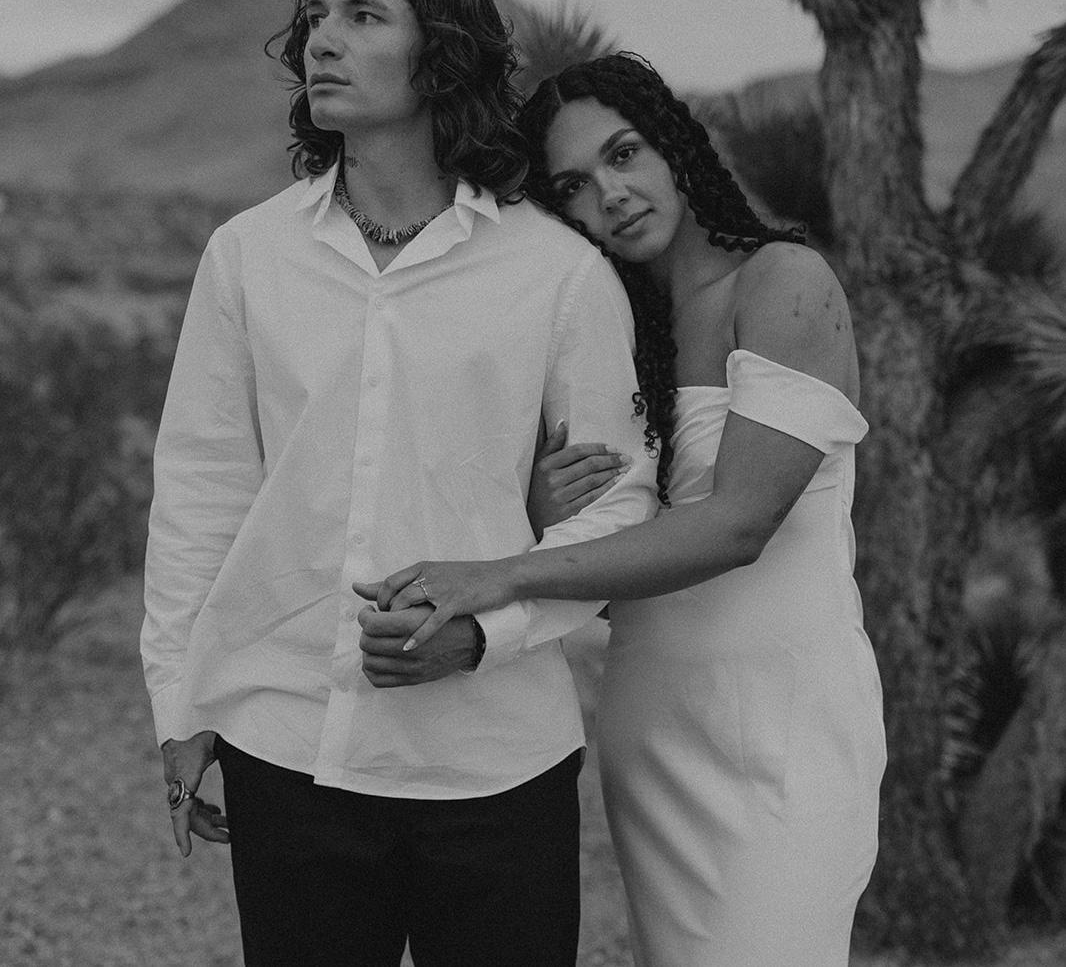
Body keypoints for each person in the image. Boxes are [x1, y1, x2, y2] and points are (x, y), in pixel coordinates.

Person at [140, 0, 659, 966]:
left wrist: (486, 633)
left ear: (442, 49)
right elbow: (203, 485)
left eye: (364, 15)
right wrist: (179, 702)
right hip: (288, 743)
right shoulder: (248, 256)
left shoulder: (555, 273)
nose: (322, 40)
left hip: (494, 763)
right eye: (314, 17)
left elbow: (618, 504)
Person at [355, 53, 887, 967]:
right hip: (654, 722)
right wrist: (539, 513)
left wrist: (504, 573)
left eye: (625, 153)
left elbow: (738, 526)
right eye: (573, 185)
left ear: (675, 145)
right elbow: (610, 554)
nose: (611, 193)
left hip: (787, 726)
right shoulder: (620, 331)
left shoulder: (783, 283)